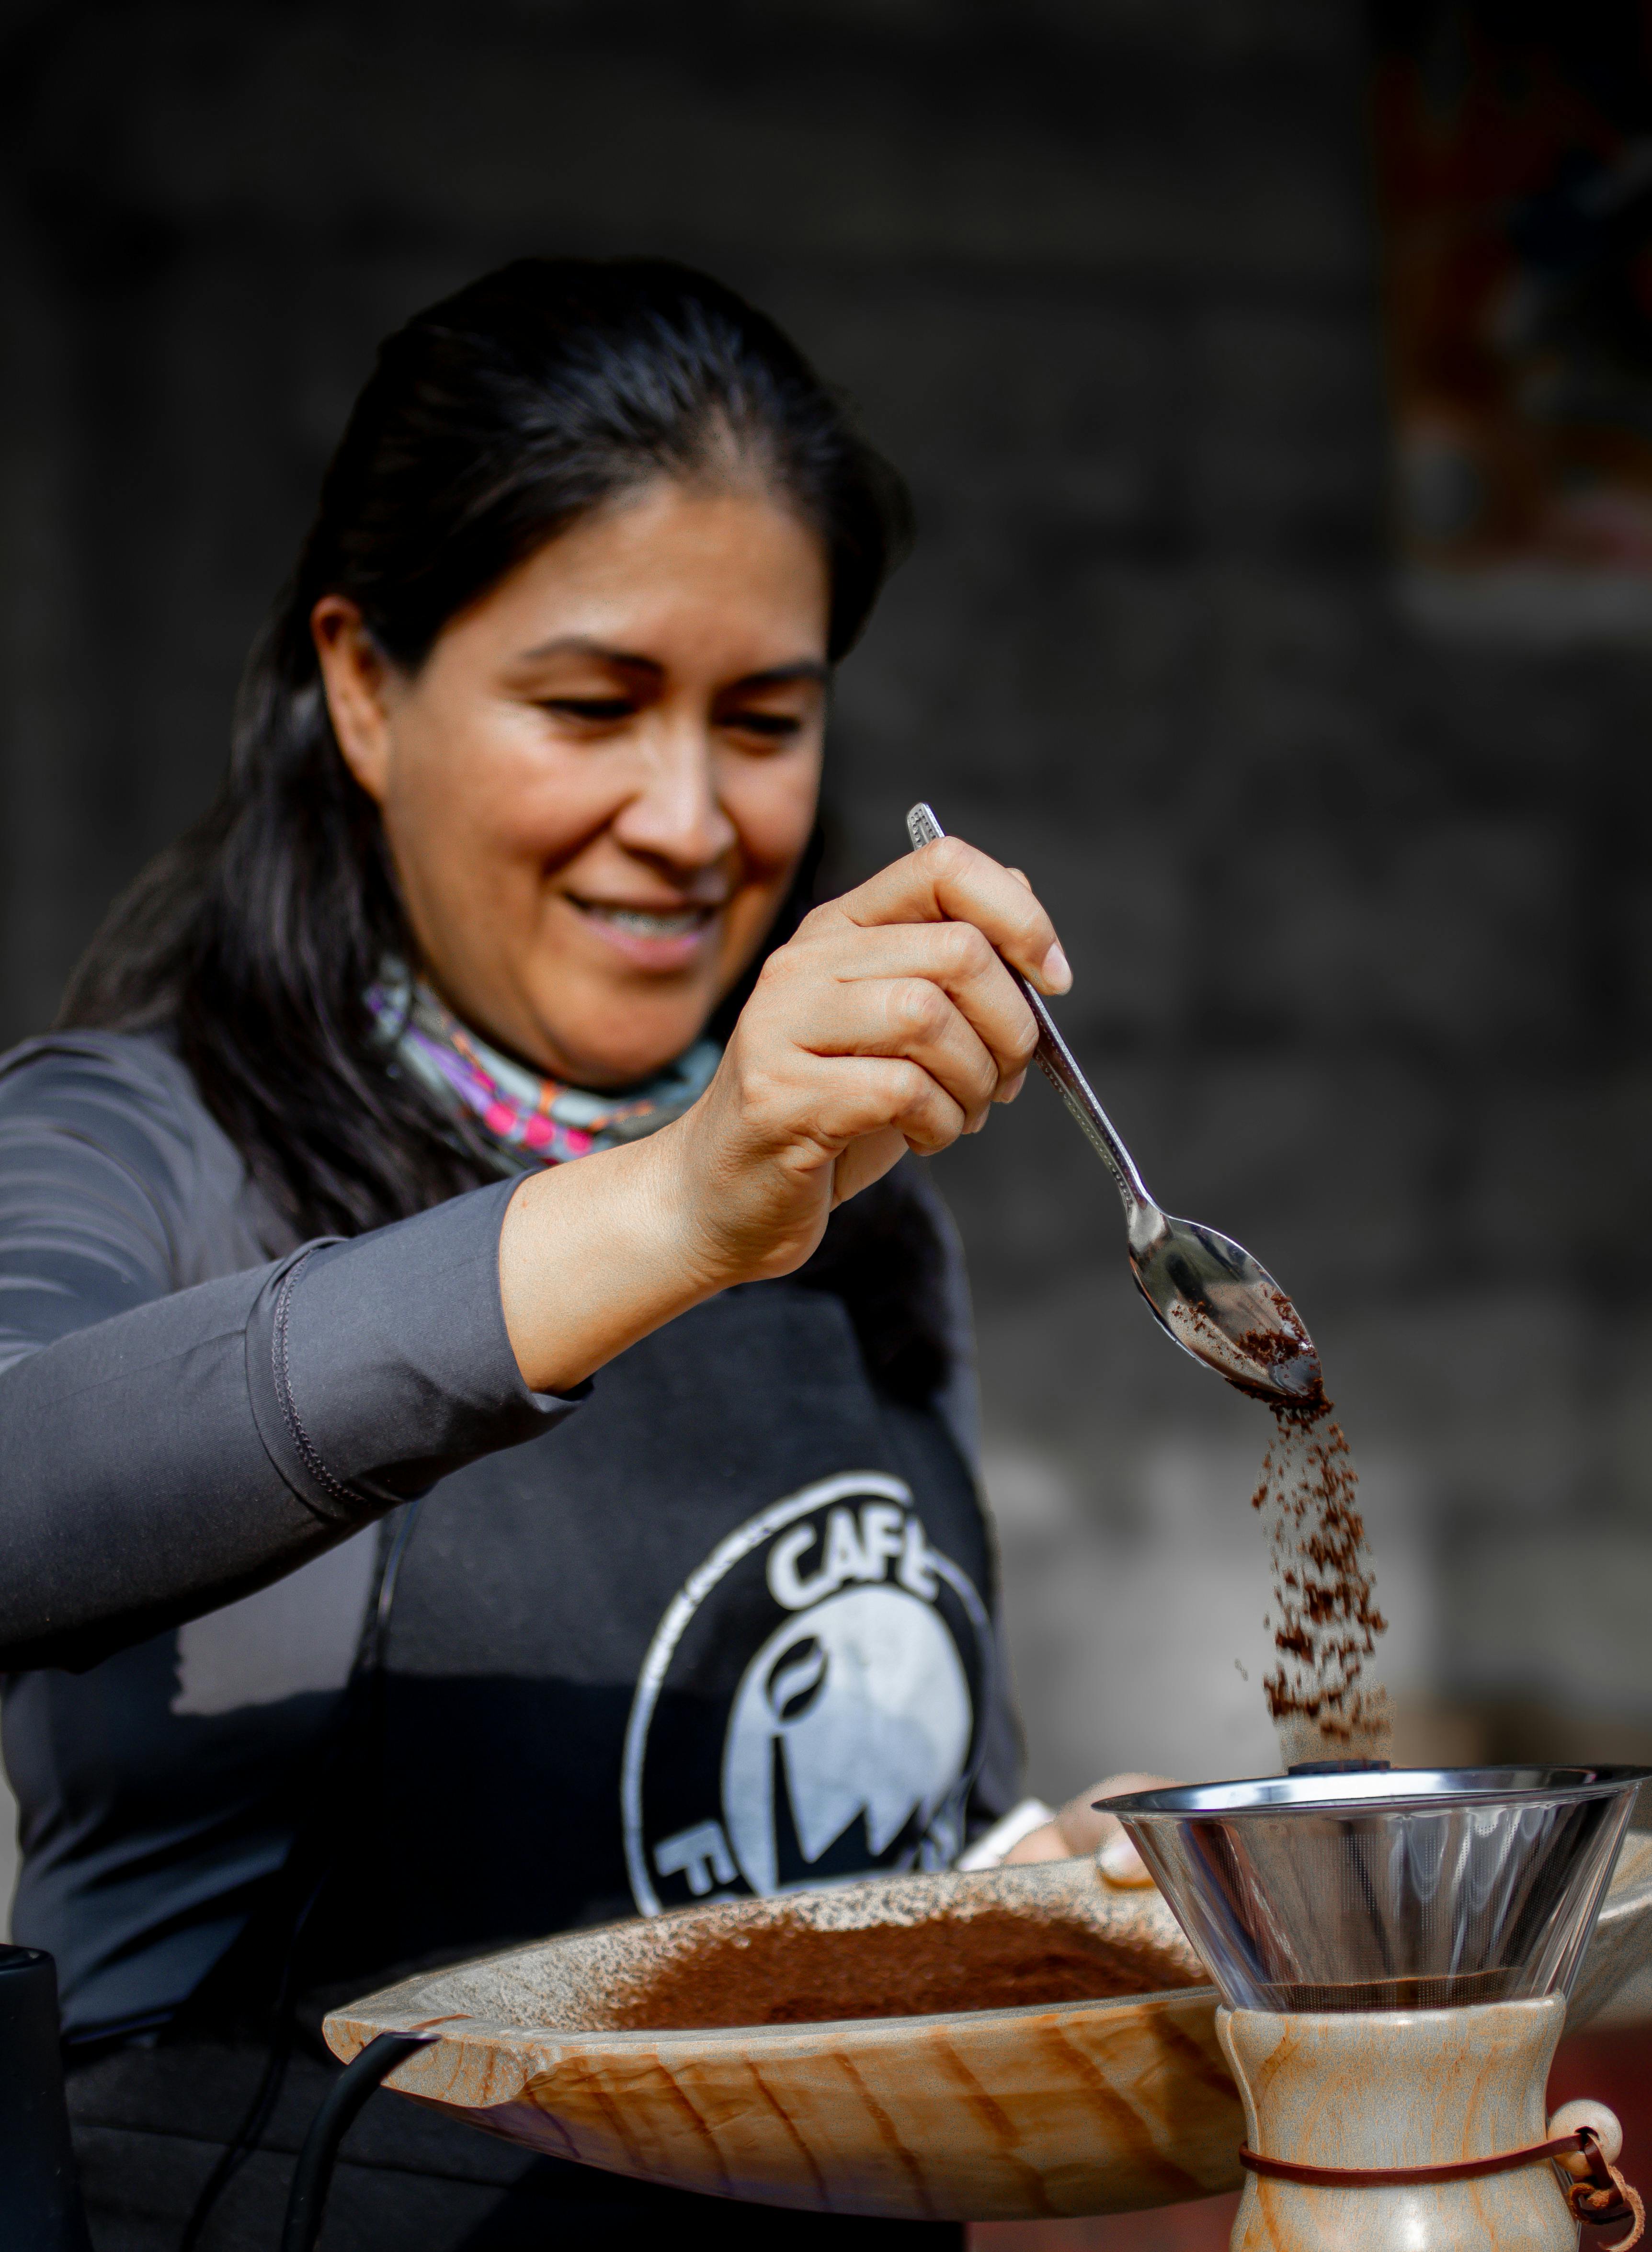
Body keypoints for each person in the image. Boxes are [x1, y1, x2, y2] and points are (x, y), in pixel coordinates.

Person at [0, 257, 1114, 2251]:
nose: (687, 819)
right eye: (590, 705)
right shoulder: (138, 1143)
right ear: (362, 686)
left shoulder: (867, 1218)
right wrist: (675, 1204)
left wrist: (1056, 1897)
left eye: (761, 719)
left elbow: (869, 1818)